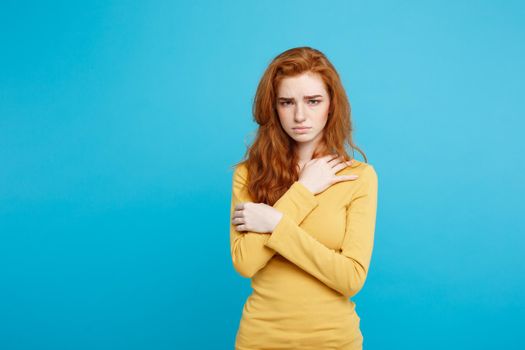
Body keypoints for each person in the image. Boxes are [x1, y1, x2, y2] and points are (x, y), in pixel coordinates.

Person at [229, 46, 378, 350]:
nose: (300, 115)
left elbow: (351, 278)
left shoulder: (359, 177)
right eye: (287, 102)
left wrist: (275, 222)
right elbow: (246, 263)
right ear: (273, 108)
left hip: (334, 341)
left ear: (331, 105)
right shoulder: (248, 174)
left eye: (313, 101)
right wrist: (303, 191)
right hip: (261, 340)